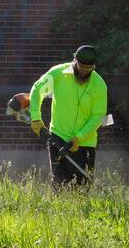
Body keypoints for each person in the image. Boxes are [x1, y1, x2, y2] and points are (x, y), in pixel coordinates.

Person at [28, 44, 107, 188]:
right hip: (58, 137)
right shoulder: (58, 74)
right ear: (75, 60)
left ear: (93, 67)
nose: (83, 71)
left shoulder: (99, 85)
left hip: (84, 143)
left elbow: (98, 116)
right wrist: (36, 117)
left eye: (88, 69)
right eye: (81, 66)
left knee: (82, 188)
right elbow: (37, 90)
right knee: (59, 185)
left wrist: (79, 137)